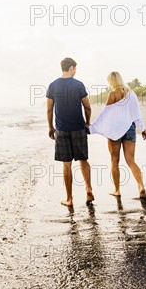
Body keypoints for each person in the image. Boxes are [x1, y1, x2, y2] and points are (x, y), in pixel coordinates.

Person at [90, 71, 146, 198]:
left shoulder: (112, 94)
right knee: (131, 160)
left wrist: (92, 128)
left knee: (114, 160)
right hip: (130, 128)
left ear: (111, 81)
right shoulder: (131, 93)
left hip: (115, 130)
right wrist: (143, 127)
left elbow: (105, 114)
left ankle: (117, 190)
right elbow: (137, 112)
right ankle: (141, 186)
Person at [46, 57, 95, 207]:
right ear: (72, 68)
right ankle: (88, 188)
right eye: (75, 68)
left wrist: (50, 127)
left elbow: (49, 109)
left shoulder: (53, 85)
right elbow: (87, 106)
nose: (76, 71)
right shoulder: (78, 85)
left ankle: (69, 199)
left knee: (66, 165)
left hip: (62, 129)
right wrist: (87, 122)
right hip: (79, 128)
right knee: (83, 160)